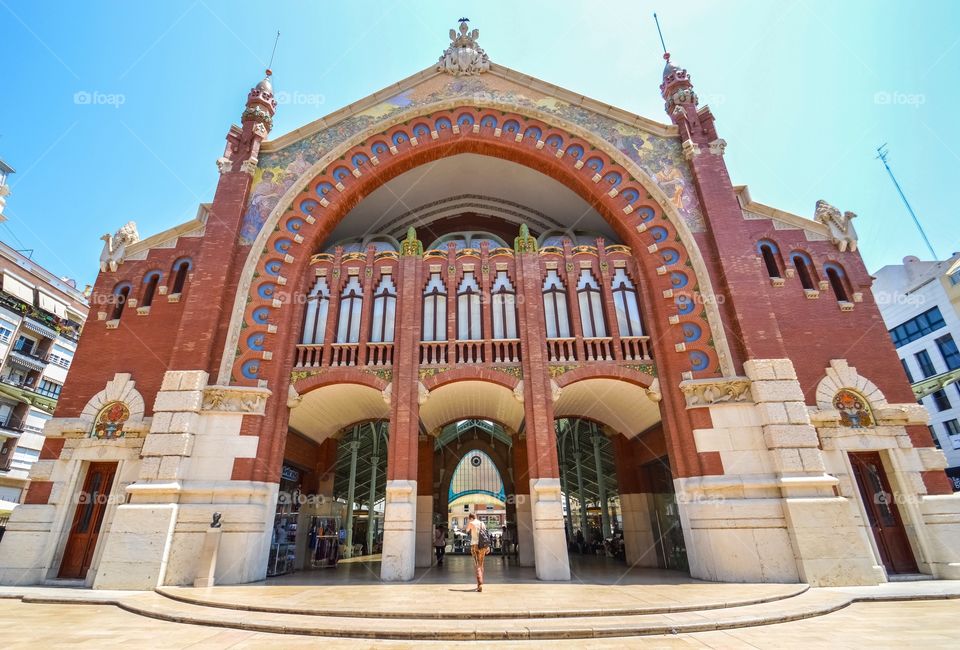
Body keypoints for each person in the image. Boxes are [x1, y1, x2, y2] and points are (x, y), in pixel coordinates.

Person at [464, 513, 488, 592]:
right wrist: (487, 547)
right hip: (483, 546)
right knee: (481, 564)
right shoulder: (482, 523)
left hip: (474, 545)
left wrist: (469, 523)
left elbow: (467, 530)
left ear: (470, 518)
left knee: (477, 564)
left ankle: (480, 583)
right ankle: (480, 582)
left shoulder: (471, 523)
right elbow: (485, 535)